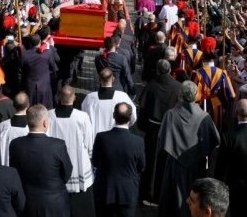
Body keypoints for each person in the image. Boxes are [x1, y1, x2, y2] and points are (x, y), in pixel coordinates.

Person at [157, 81, 220, 217]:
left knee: (173, 199)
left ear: (180, 94)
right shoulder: (204, 117)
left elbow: (162, 139)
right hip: (197, 165)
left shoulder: (171, 114)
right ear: (196, 95)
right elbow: (215, 141)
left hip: (175, 164)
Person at [9, 104, 73, 217]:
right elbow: (67, 172)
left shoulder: (15, 144)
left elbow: (14, 172)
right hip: (54, 204)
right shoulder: (57, 145)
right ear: (45, 123)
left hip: (27, 203)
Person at [137, 59, 182, 205]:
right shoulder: (178, 87)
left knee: (150, 162)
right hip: (170, 131)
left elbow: (142, 109)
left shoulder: (151, 85)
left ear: (157, 70)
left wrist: (143, 127)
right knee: (164, 163)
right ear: (170, 70)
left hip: (153, 130)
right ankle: (161, 195)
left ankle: (147, 193)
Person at [91, 102, 145, 217]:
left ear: (114, 115)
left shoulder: (101, 137)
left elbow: (95, 162)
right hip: (127, 192)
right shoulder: (138, 142)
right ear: (130, 118)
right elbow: (141, 166)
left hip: (104, 191)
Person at [49, 85, 95, 217]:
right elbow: (89, 141)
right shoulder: (82, 117)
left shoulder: (49, 115)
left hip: (56, 161)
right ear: (74, 98)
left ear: (58, 97)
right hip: (78, 160)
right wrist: (90, 157)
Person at [81, 68, 136, 135]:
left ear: (99, 79)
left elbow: (84, 118)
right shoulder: (123, 96)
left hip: (95, 137)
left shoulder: (90, 98)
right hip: (117, 136)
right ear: (113, 79)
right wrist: (125, 126)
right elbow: (133, 116)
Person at [0, 92, 30, 166]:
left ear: (13, 105)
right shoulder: (33, 126)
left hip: (8, 168)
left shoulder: (2, 126)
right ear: (28, 105)